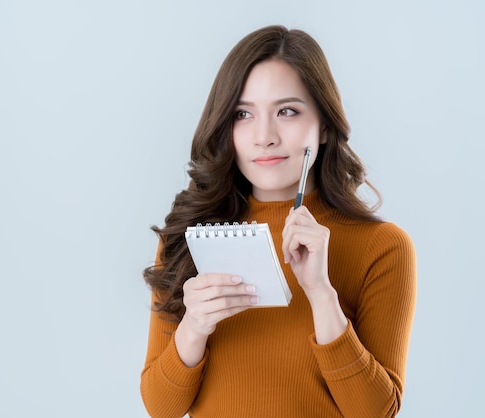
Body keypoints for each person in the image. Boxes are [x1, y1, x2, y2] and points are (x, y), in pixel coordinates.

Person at [140, 25, 416, 418]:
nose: (264, 136)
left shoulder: (382, 247)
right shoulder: (189, 239)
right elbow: (160, 407)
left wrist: (321, 293)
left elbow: (375, 412)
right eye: (243, 114)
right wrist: (194, 327)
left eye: (287, 111)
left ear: (323, 125)